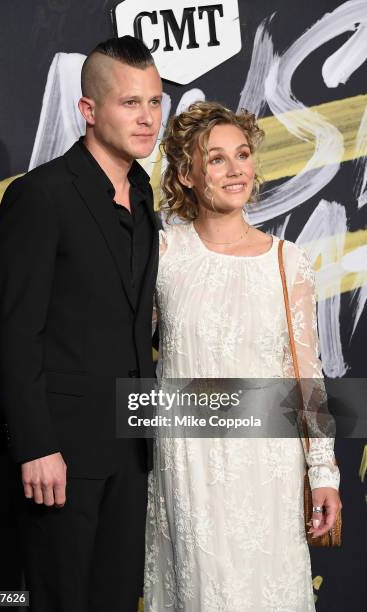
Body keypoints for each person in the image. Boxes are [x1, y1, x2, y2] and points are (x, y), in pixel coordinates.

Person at [144, 101, 342, 611]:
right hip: (188, 465)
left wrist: (323, 473)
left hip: (268, 468)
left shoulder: (286, 260)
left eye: (243, 154)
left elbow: (307, 375)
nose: (235, 170)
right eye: (216, 159)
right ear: (186, 174)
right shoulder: (163, 256)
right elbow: (120, 352)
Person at [0, 36, 162, 611]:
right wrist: (36, 446)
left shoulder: (144, 197)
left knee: (116, 599)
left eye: (155, 102)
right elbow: (16, 333)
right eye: (130, 103)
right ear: (88, 111)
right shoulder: (41, 197)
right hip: (60, 457)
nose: (147, 119)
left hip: (133, 449)